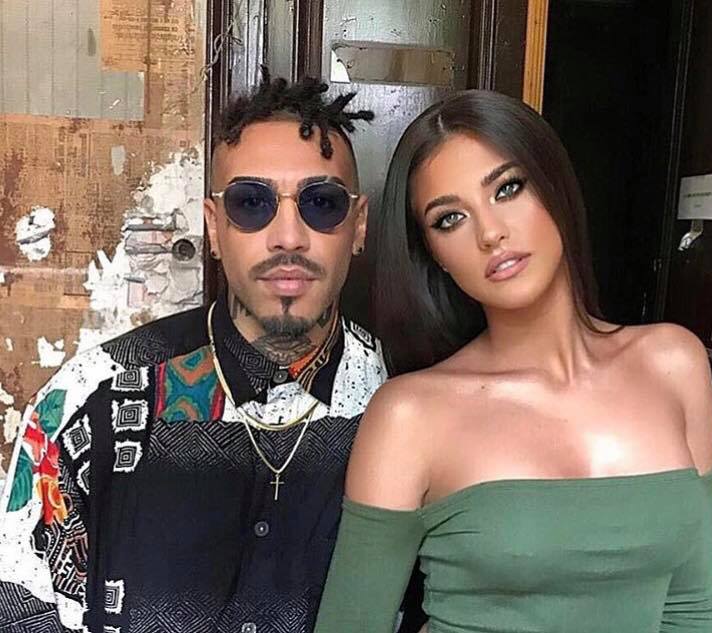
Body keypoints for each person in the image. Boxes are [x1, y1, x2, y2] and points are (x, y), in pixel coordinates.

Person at [0, 71, 424, 633]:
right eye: (251, 203)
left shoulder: (411, 406)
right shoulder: (93, 399)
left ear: (359, 225)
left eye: (322, 203)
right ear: (215, 229)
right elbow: (21, 606)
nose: (289, 236)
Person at [314, 90, 712, 633]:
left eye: (507, 189)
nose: (491, 233)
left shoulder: (675, 364)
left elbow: (693, 609)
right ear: (434, 256)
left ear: (554, 185)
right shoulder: (409, 416)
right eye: (450, 219)